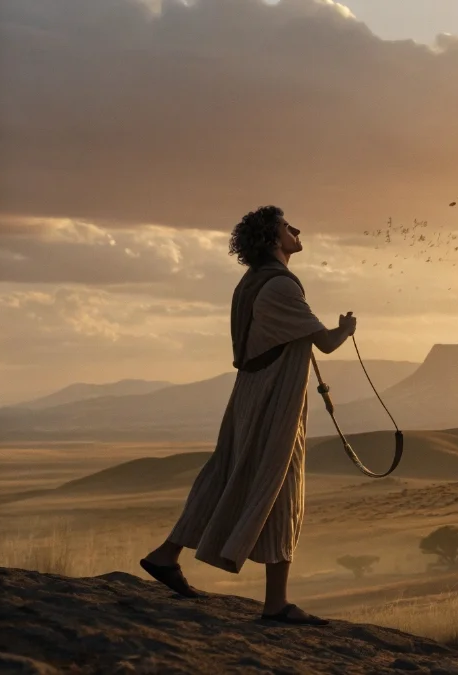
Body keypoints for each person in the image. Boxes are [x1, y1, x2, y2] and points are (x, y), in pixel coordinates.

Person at [140, 205, 355, 626]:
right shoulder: (281, 286)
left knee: (226, 475)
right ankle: (275, 604)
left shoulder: (252, 282)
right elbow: (327, 343)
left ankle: (166, 555)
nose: (296, 229)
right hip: (274, 401)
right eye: (287, 226)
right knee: (282, 484)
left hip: (251, 395)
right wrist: (346, 328)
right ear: (273, 239)